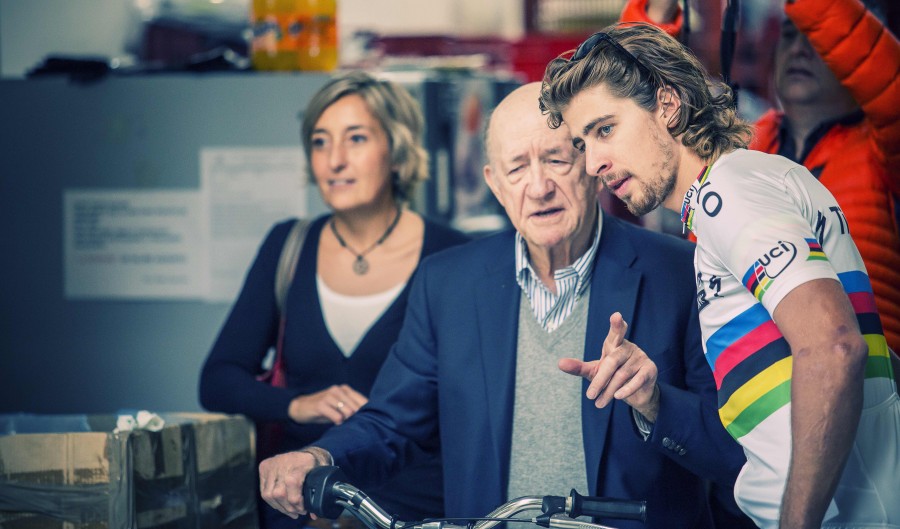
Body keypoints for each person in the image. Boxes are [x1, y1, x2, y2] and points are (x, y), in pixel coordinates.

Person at [257, 82, 748, 529]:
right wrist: (319, 457)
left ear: (593, 165)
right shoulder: (447, 283)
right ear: (494, 183)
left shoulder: (681, 272)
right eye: (517, 167)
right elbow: (391, 423)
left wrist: (655, 402)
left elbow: (735, 452)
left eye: (556, 159)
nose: (537, 187)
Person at [540, 21, 900, 528]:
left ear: (667, 106)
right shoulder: (760, 179)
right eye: (582, 144)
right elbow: (876, 357)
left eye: (605, 129)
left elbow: (836, 348)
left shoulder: (726, 193)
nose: (595, 162)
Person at [199, 71, 468, 529]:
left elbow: (467, 401)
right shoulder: (288, 246)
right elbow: (217, 379)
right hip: (300, 506)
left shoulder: (452, 256)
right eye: (320, 142)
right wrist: (295, 404)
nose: (335, 160)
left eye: (356, 138)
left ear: (398, 153)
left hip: (412, 508)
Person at [620, 0, 900, 351]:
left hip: (864, 388)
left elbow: (885, 73)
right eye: (788, 35)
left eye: (815, 37)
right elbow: (631, 102)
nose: (799, 49)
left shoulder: (886, 145)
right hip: (753, 387)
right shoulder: (740, 142)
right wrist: (657, 8)